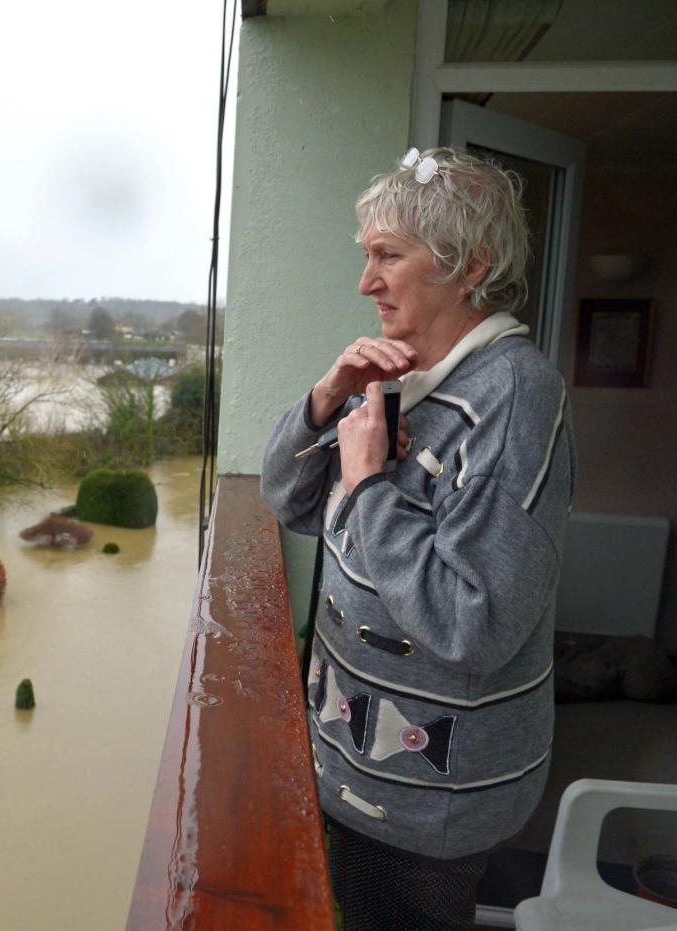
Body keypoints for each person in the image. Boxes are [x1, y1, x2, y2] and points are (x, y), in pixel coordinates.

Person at [261, 147, 576, 930]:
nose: (364, 283)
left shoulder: (512, 399)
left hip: (426, 802)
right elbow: (289, 500)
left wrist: (370, 483)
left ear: (469, 266)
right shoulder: (409, 379)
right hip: (358, 766)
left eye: (387, 258)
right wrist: (328, 397)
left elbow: (474, 621)